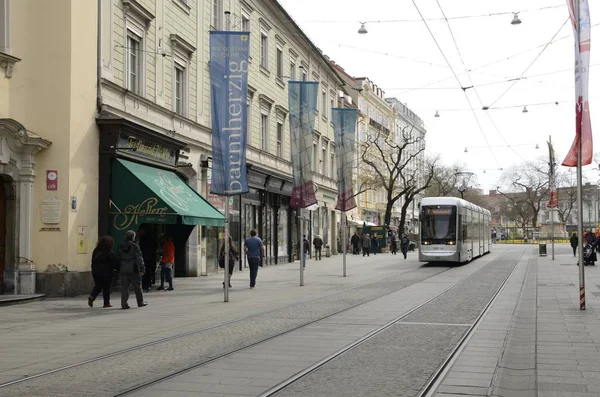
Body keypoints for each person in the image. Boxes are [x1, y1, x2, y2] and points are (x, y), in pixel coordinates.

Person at [88, 236, 120, 308]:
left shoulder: (96, 251)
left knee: (98, 286)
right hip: (107, 273)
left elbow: (92, 261)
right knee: (106, 288)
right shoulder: (109, 253)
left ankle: (92, 296)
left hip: (96, 272)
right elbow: (115, 263)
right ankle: (106, 303)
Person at [118, 230, 147, 309]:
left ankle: (124, 304)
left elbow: (119, 257)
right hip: (133, 268)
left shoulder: (121, 246)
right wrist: (142, 268)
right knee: (137, 285)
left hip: (123, 267)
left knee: (124, 287)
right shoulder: (135, 246)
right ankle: (140, 302)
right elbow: (139, 258)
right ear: (133, 237)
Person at [138, 226, 157, 292]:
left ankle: (146, 285)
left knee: (147, 272)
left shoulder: (146, 239)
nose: (139, 232)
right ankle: (146, 285)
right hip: (147, 258)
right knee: (145, 272)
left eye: (140, 230)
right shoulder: (146, 238)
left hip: (148, 258)